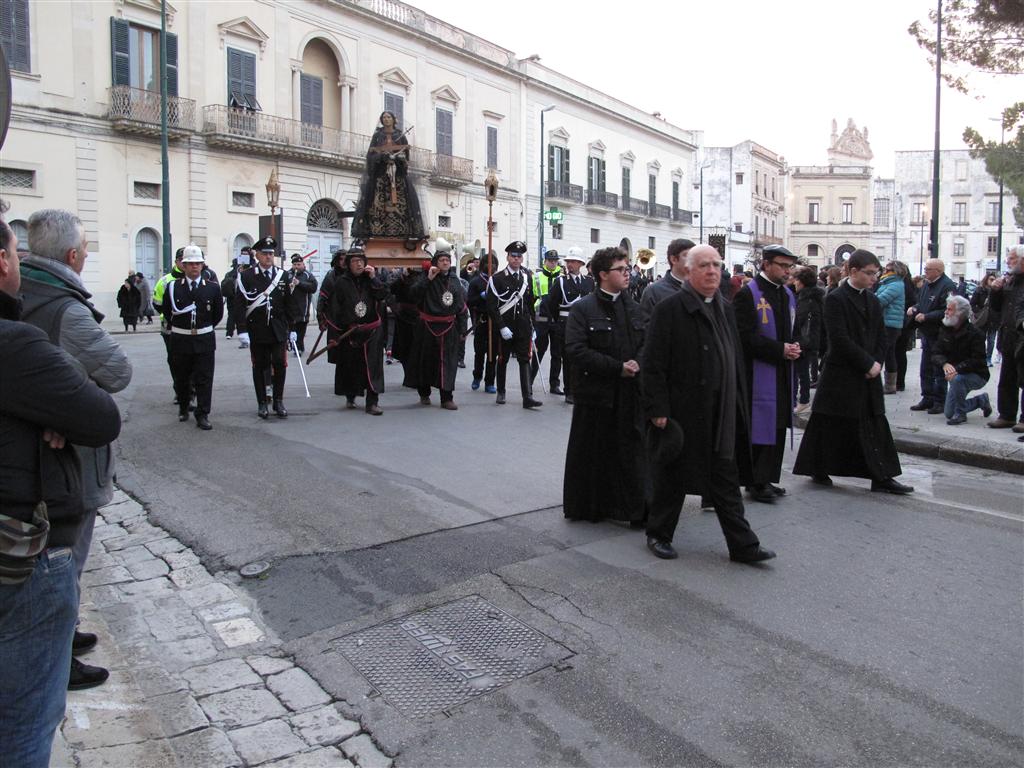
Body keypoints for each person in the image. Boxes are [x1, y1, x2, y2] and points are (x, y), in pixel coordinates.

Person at [0, 205, 121, 768]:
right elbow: (109, 390)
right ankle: (65, 653)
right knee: (27, 717)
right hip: (31, 521)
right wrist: (57, 401)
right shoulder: (45, 320)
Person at [18, 208, 132, 692]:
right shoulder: (66, 307)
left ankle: (61, 634)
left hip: (27, 451)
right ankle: (57, 656)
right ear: (72, 256)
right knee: (65, 558)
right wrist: (67, 403)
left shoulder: (20, 290)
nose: (86, 256)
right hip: (65, 459)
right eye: (85, 250)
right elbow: (118, 372)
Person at [641, 245, 775, 563]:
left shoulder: (725, 307)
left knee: (725, 479)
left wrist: (740, 400)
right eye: (704, 265)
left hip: (722, 410)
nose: (712, 271)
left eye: (716, 264)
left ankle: (743, 545)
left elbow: (733, 357)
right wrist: (657, 409)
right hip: (684, 409)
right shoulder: (670, 309)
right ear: (688, 271)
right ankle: (658, 534)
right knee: (673, 477)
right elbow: (653, 363)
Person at [793, 249, 913, 495]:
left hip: (868, 372)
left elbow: (881, 335)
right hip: (842, 373)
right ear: (854, 271)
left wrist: (877, 361)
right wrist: (867, 364)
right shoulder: (836, 298)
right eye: (869, 273)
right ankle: (817, 466)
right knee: (828, 423)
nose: (874, 278)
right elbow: (839, 339)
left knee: (874, 423)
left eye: (876, 273)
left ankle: (882, 476)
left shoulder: (872, 298)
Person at [562, 247, 645, 523]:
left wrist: (637, 363)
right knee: (592, 454)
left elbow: (646, 341)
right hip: (595, 395)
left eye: (627, 268)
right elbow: (576, 349)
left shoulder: (634, 307)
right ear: (602, 274)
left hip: (627, 394)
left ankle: (628, 507)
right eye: (621, 269)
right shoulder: (584, 309)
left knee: (627, 453)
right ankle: (591, 507)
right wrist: (616, 368)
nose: (627, 273)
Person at [732, 244, 800, 504]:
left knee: (778, 424)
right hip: (756, 373)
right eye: (782, 266)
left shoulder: (786, 294)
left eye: (790, 267)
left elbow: (792, 330)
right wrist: (780, 349)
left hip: (781, 369)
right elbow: (744, 337)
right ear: (766, 264)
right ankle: (755, 481)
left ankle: (768, 477)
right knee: (760, 428)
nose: (787, 271)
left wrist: (795, 346)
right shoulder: (748, 295)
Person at [162, 244, 223, 430]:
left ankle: (203, 413)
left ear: (203, 265)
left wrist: (204, 328)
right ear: (184, 266)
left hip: (204, 339)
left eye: (198, 263)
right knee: (181, 377)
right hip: (180, 339)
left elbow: (217, 314)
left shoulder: (212, 288)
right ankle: (183, 406)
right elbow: (167, 310)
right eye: (190, 264)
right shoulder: (173, 287)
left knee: (204, 378)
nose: (194, 267)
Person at [404, 245, 469, 409]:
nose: (445, 263)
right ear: (435, 263)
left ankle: (446, 398)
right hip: (427, 326)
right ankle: (424, 394)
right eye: (442, 260)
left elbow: (461, 306)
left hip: (449, 328)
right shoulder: (426, 277)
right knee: (425, 361)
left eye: (447, 260)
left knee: (448, 364)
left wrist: (462, 329)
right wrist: (429, 279)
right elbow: (413, 295)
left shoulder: (455, 280)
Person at [236, 236, 293, 419]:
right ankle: (262, 402)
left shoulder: (283, 275)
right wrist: (242, 330)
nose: (269, 257)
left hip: (278, 329)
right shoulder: (246, 276)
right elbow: (239, 304)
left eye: (271, 254)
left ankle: (278, 401)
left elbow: (288, 304)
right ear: (257, 255)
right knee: (259, 366)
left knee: (280, 364)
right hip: (257, 329)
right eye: (265, 254)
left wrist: (292, 329)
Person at [330, 245, 389, 414]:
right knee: (351, 365)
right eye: (355, 261)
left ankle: (372, 402)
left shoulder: (370, 280)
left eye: (361, 261)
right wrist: (335, 333)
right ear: (348, 264)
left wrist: (373, 279)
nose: (359, 265)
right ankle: (351, 395)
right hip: (351, 332)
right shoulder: (341, 282)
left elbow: (383, 294)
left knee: (374, 366)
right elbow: (335, 309)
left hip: (372, 331)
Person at [351, 111, 426, 240]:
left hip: (398, 178)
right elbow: (370, 156)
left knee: (402, 203)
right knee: (377, 202)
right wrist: (382, 156)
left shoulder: (400, 136)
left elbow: (406, 156)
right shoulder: (377, 136)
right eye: (384, 117)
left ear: (393, 120)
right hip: (380, 176)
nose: (386, 120)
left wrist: (399, 158)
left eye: (388, 117)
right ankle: (378, 230)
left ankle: (401, 230)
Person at [487, 240, 542, 408]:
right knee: (502, 359)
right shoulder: (497, 278)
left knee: (525, 360)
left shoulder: (528, 277)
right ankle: (501, 392)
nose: (517, 259)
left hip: (523, 326)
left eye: (519, 256)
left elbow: (531, 303)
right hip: (506, 325)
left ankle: (527, 396)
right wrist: (502, 326)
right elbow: (492, 306)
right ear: (508, 257)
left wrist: (533, 326)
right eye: (513, 256)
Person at [932, 295, 992, 425]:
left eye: (949, 310)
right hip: (954, 375)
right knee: (949, 412)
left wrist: (957, 370)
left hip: (976, 375)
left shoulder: (975, 334)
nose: (946, 312)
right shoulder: (945, 330)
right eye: (946, 309)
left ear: (960, 313)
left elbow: (977, 360)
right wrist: (944, 364)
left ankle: (961, 414)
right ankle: (981, 400)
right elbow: (936, 352)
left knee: (957, 379)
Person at [546, 246, 595, 404]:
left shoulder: (589, 282)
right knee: (568, 360)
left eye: (573, 261)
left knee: (584, 358)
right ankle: (569, 391)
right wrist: (558, 320)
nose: (569, 264)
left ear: (580, 263)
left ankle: (582, 387)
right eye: (568, 261)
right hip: (565, 324)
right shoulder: (561, 282)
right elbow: (551, 303)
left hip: (584, 325)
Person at [907, 258, 956, 414]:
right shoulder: (927, 284)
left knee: (938, 368)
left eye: (928, 269)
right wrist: (914, 308)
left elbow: (948, 310)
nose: (925, 271)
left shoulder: (947, 286)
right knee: (925, 368)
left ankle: (939, 400)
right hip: (927, 333)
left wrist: (927, 316)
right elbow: (921, 303)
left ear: (939, 271)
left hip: (940, 334)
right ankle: (927, 397)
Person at [986, 246, 1024, 433]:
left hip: (1022, 337)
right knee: (1007, 377)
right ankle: (1007, 415)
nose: (1008, 262)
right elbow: (995, 308)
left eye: (1012, 258)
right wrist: (995, 291)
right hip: (1008, 335)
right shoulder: (1009, 281)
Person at [637, 238, 694, 328]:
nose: (692, 260)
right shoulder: (653, 292)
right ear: (674, 259)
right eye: (687, 256)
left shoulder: (700, 288)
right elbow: (646, 328)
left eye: (694, 256)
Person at [530, 250, 564, 394]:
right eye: (550, 260)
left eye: (555, 260)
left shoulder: (562, 278)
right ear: (545, 261)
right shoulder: (536, 276)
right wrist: (531, 319)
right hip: (541, 317)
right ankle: (529, 381)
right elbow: (531, 298)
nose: (552, 263)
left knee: (557, 353)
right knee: (539, 351)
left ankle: (554, 384)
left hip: (556, 319)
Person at [792, 266, 823, 414]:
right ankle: (802, 399)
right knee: (803, 370)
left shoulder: (806, 298)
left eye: (797, 279)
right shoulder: (816, 296)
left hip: (805, 340)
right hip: (812, 338)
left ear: (802, 282)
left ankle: (803, 400)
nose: (794, 283)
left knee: (801, 371)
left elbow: (799, 319)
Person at [467, 251, 498, 393]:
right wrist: (481, 297)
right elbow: (469, 302)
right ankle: (477, 376)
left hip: (495, 322)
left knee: (492, 354)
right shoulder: (475, 282)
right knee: (479, 352)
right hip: (481, 321)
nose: (491, 266)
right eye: (489, 263)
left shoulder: (498, 281)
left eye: (494, 263)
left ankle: (490, 381)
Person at [874, 261, 906, 395]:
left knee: (883, 352)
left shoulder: (896, 284)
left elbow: (880, 300)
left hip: (890, 324)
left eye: (888, 270)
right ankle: (890, 385)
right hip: (889, 323)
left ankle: (883, 383)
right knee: (889, 353)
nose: (885, 272)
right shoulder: (888, 283)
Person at [285, 253, 318, 354]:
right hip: (290, 308)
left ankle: (299, 347)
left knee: (301, 330)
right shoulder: (287, 274)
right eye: (295, 264)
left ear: (303, 265)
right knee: (291, 329)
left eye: (299, 264)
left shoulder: (308, 275)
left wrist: (299, 283)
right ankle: (294, 346)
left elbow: (313, 287)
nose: (296, 266)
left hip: (302, 308)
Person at [970, 273, 997, 367]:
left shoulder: (997, 291)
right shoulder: (980, 290)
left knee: (992, 340)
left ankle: (988, 358)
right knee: (981, 339)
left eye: (994, 279)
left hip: (993, 320)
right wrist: (979, 312)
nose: (993, 281)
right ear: (986, 280)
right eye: (991, 279)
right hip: (982, 320)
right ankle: (981, 358)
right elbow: (972, 303)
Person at [221, 258, 240, 339]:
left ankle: (229, 333)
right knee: (241, 316)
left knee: (231, 316)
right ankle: (241, 332)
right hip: (239, 297)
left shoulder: (228, 274)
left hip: (230, 298)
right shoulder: (241, 273)